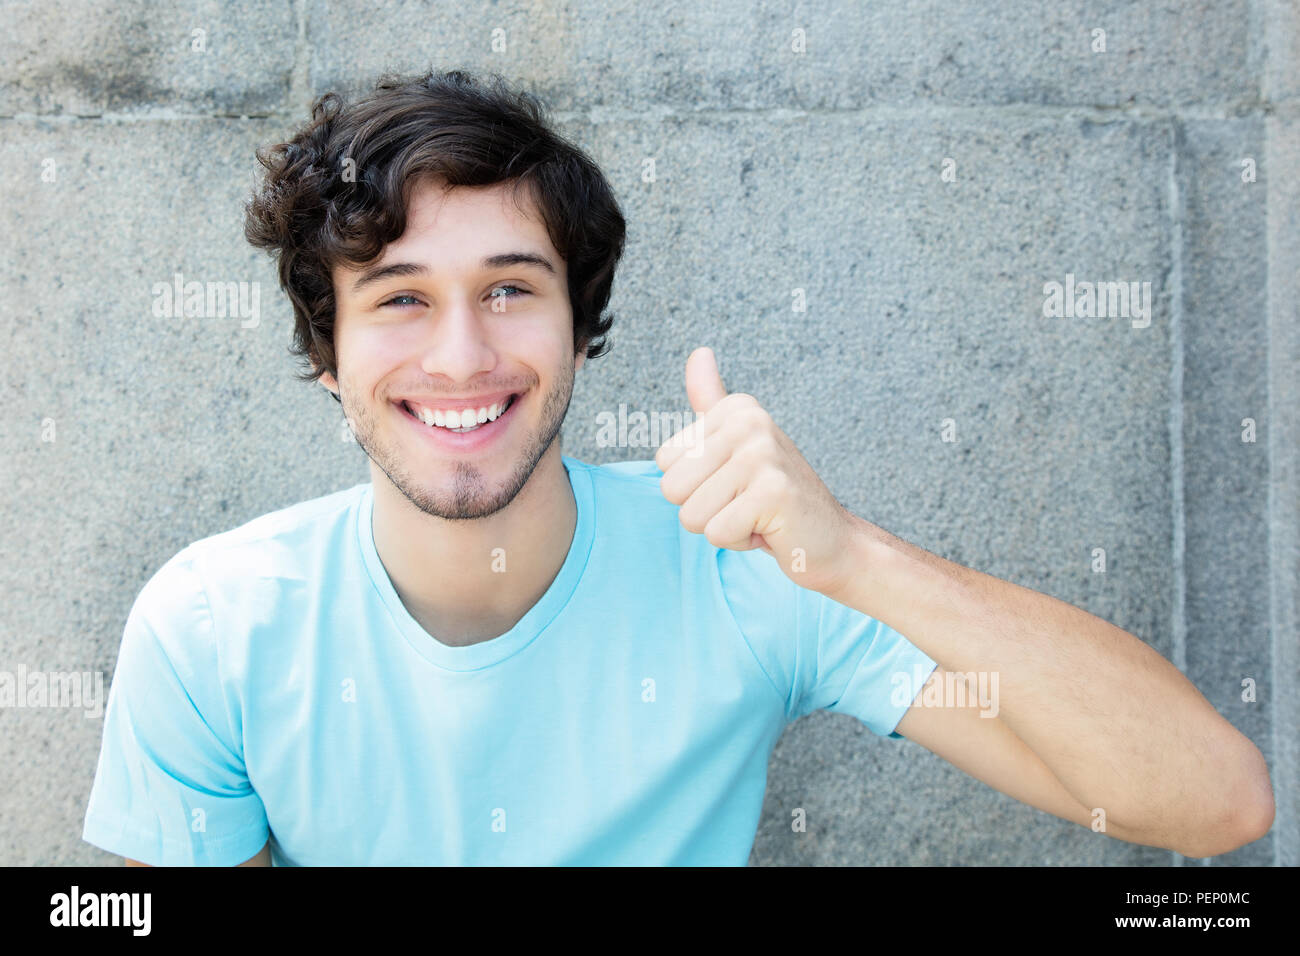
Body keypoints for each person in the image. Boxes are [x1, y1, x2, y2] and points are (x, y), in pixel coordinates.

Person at [82, 69, 1274, 866]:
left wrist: (852, 555)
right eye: (399, 300)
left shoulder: (747, 574)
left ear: (578, 329)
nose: (461, 353)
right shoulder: (210, 626)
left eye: (510, 289)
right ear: (326, 355)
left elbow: (1212, 802)